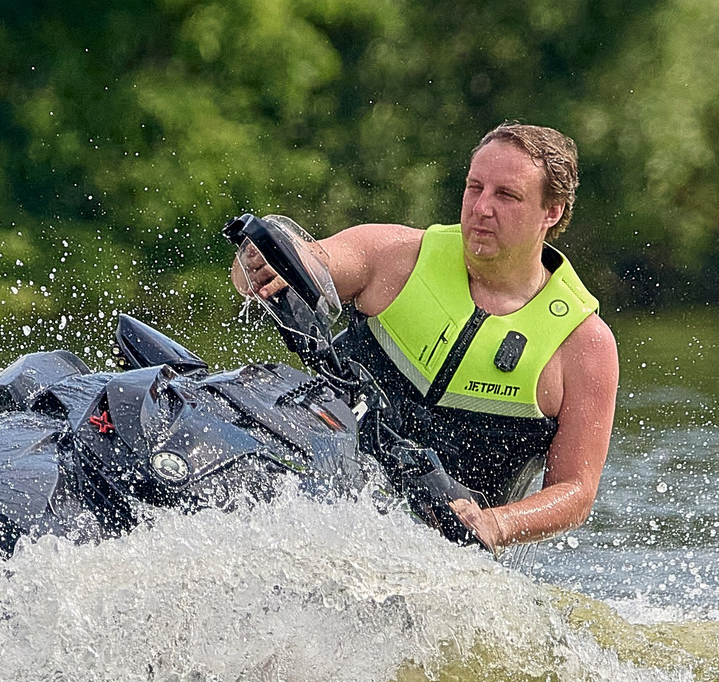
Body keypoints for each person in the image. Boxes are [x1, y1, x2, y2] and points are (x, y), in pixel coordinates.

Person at [232, 122, 619, 548]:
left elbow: (576, 492)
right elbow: (309, 261)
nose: (481, 207)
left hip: (439, 559)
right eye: (475, 187)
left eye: (506, 195)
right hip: (316, 509)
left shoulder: (583, 344)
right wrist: (262, 260)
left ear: (552, 211)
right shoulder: (393, 257)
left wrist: (495, 524)